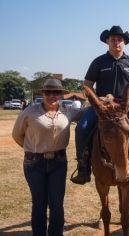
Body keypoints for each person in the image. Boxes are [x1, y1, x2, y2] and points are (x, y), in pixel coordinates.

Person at [71, 25, 129, 184]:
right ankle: (83, 165)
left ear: (124, 42)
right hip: (102, 107)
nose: (116, 42)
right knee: (81, 128)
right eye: (113, 39)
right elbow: (87, 84)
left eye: (119, 40)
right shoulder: (98, 62)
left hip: (125, 106)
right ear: (107, 41)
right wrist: (95, 102)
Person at [12, 78, 83, 236]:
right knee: (39, 204)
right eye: (48, 92)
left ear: (61, 95)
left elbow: (87, 110)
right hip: (34, 163)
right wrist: (31, 148)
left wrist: (103, 99)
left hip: (58, 163)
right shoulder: (29, 112)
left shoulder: (68, 112)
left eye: (56, 92)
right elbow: (17, 134)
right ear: (43, 94)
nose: (52, 95)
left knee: (57, 204)